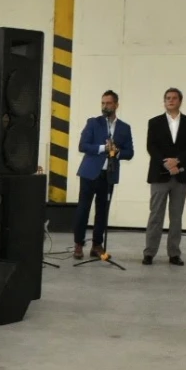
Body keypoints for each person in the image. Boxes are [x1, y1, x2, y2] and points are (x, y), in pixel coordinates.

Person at [73, 90, 134, 259]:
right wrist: (103, 148)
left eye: (108, 103)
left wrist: (117, 151)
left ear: (116, 105)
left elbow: (130, 153)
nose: (105, 106)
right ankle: (78, 244)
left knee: (102, 211)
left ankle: (97, 246)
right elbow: (83, 146)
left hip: (109, 175)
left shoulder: (124, 128)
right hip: (89, 173)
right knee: (83, 209)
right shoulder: (93, 123)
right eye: (103, 103)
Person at [143, 87, 186, 266]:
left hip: (181, 176)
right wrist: (166, 163)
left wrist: (178, 161)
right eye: (167, 98)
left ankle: (174, 253)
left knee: (176, 216)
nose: (171, 100)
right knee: (155, 215)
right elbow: (151, 147)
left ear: (180, 101)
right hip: (160, 174)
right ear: (164, 101)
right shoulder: (154, 122)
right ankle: (149, 252)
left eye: (174, 98)